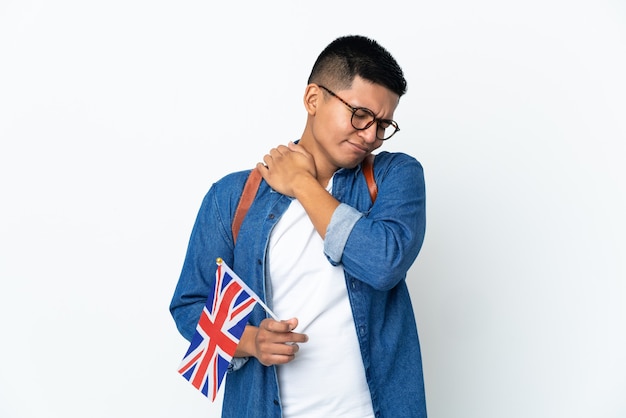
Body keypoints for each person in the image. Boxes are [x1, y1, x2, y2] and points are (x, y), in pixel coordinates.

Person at [170, 34, 427, 418]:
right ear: (313, 100)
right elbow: (189, 305)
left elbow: (383, 264)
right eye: (360, 116)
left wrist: (302, 184)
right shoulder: (232, 197)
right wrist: (252, 341)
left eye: (383, 124)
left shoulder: (394, 176)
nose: (371, 136)